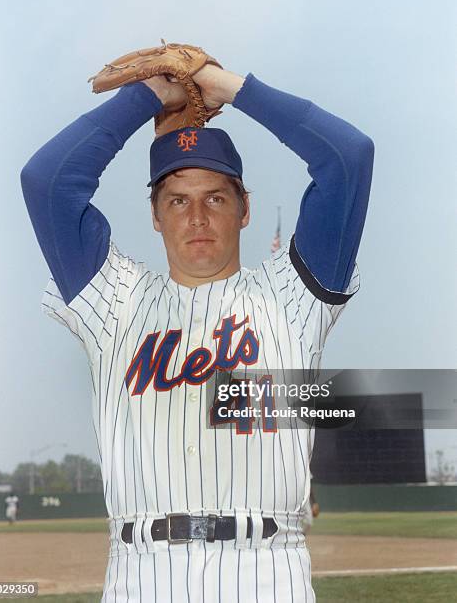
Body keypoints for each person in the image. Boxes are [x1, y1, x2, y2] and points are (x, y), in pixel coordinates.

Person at [20, 55, 374, 602]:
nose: (198, 217)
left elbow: (348, 159)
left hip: (267, 572)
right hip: (142, 574)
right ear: (156, 215)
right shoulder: (114, 298)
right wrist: (145, 97)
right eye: (178, 200)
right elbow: (46, 182)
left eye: (216, 197)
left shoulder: (293, 292)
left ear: (244, 208)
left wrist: (229, 88)